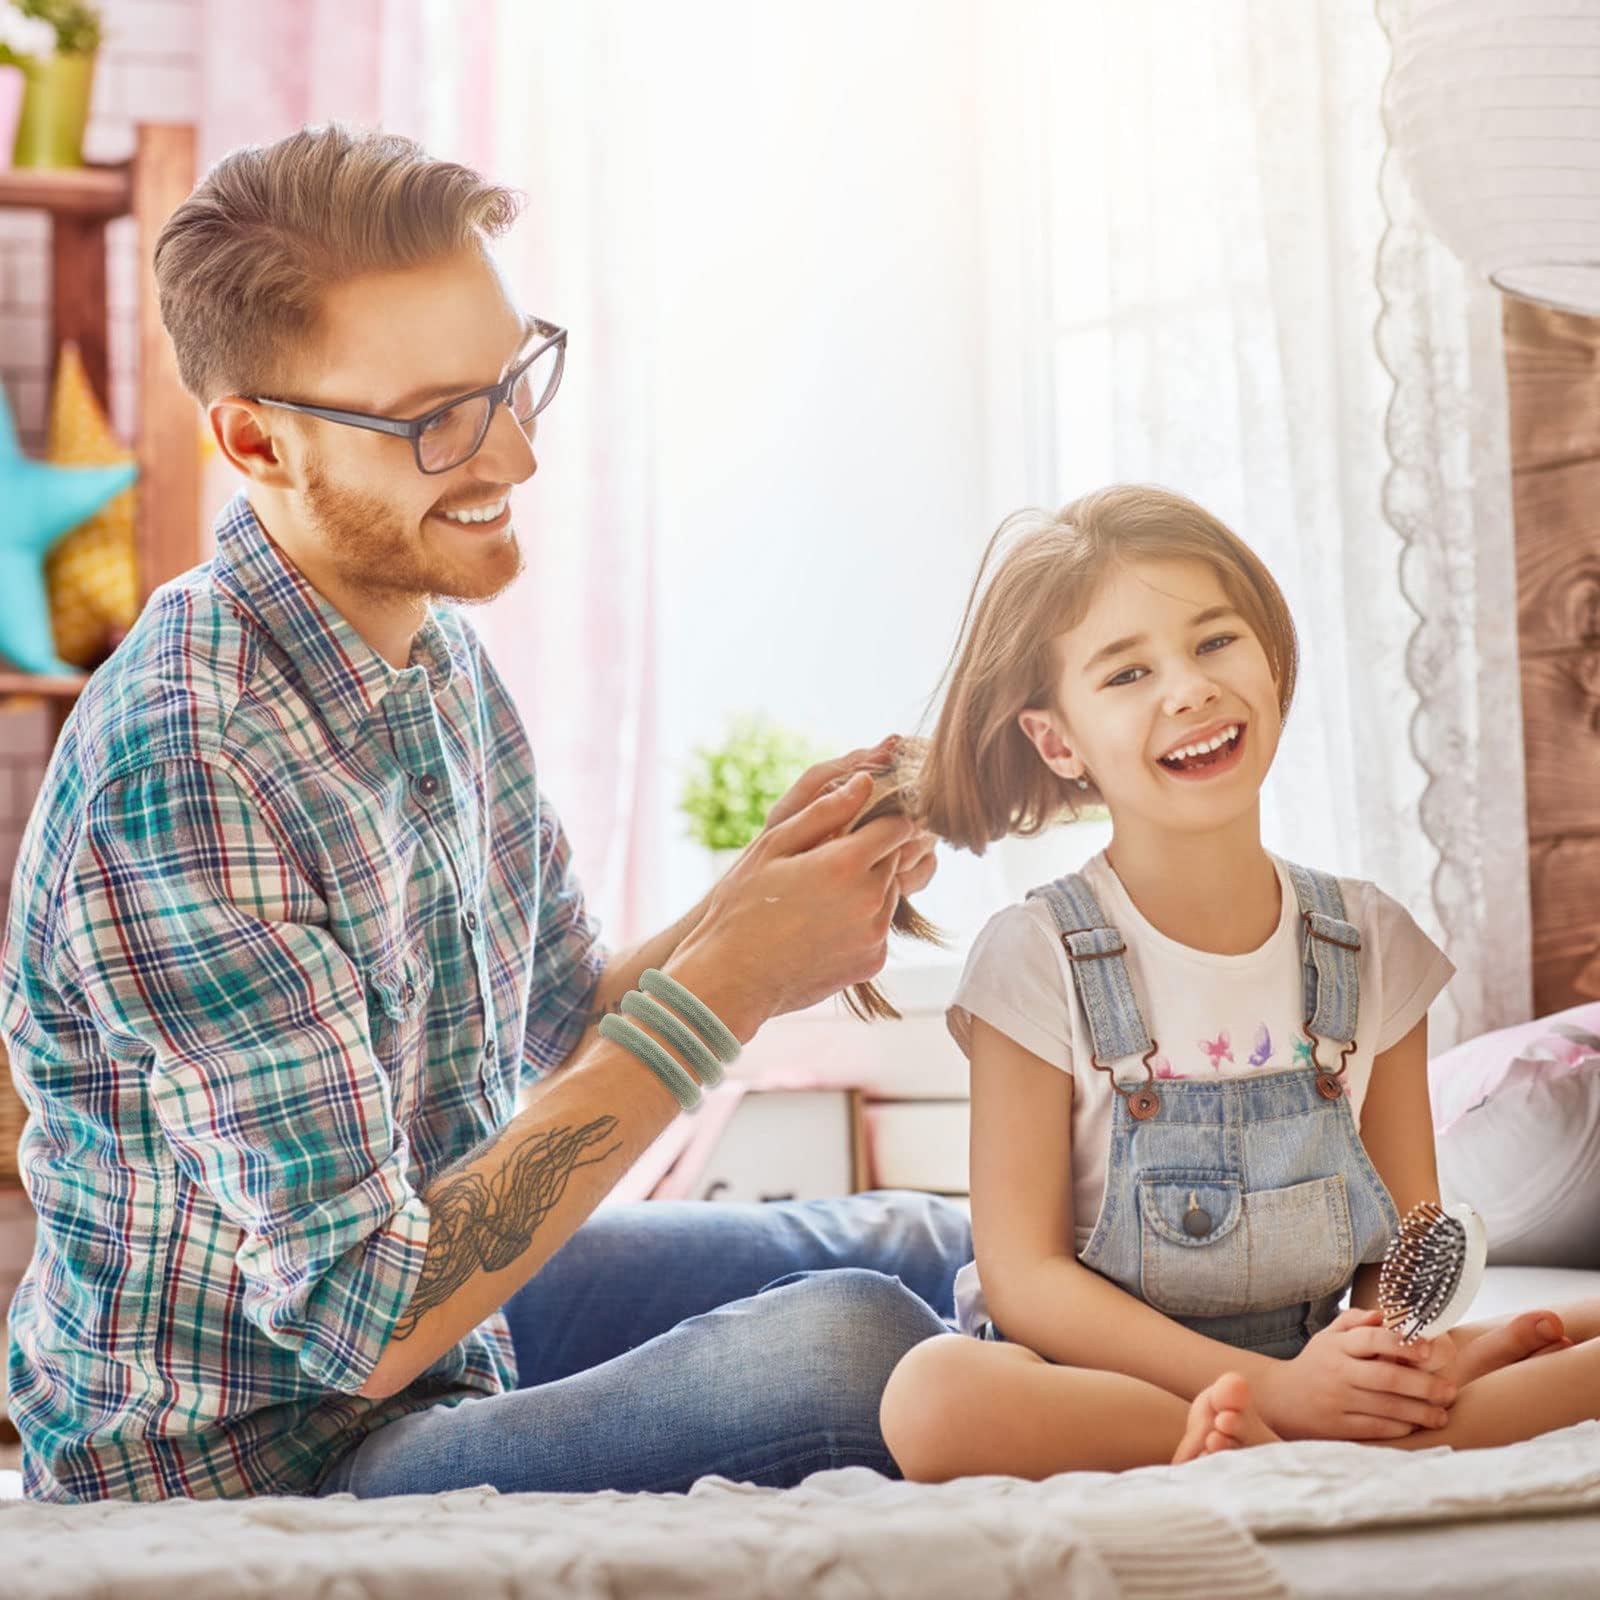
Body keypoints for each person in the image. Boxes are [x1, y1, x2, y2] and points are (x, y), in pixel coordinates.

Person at [0, 123, 972, 1504]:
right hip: (263, 1459)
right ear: (256, 438)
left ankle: (1305, 1367)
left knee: (918, 1243)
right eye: (434, 418)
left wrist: (768, 883)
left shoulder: (426, 641)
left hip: (446, 1335)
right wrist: (741, 978)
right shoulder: (188, 760)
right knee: (855, 1346)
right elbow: (366, 1315)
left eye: (513, 380)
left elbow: (570, 1015)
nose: (512, 454)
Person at [877, 485, 1600, 1481]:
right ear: (1058, 741)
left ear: (1266, 654)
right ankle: (1288, 1435)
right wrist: (1270, 1392)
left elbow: (1404, 1235)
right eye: (1127, 671)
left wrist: (1389, 1347)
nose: (1188, 689)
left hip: (1310, 1363)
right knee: (934, 1396)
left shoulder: (1369, 938)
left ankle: (1330, 1431)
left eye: (1215, 642)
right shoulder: (1033, 955)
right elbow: (1026, 1280)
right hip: (1111, 1387)